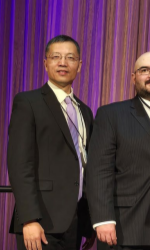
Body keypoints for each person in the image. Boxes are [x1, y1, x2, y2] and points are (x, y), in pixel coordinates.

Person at [87, 52, 150, 249]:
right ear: (133, 77)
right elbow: (99, 170)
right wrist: (103, 219)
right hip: (127, 226)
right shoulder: (111, 114)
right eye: (144, 70)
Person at [7, 35, 95, 250]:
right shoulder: (28, 102)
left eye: (70, 57)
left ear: (79, 65)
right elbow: (19, 165)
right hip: (40, 222)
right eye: (56, 57)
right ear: (46, 63)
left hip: (74, 222)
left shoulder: (85, 111)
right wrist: (29, 219)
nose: (63, 62)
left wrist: (89, 223)